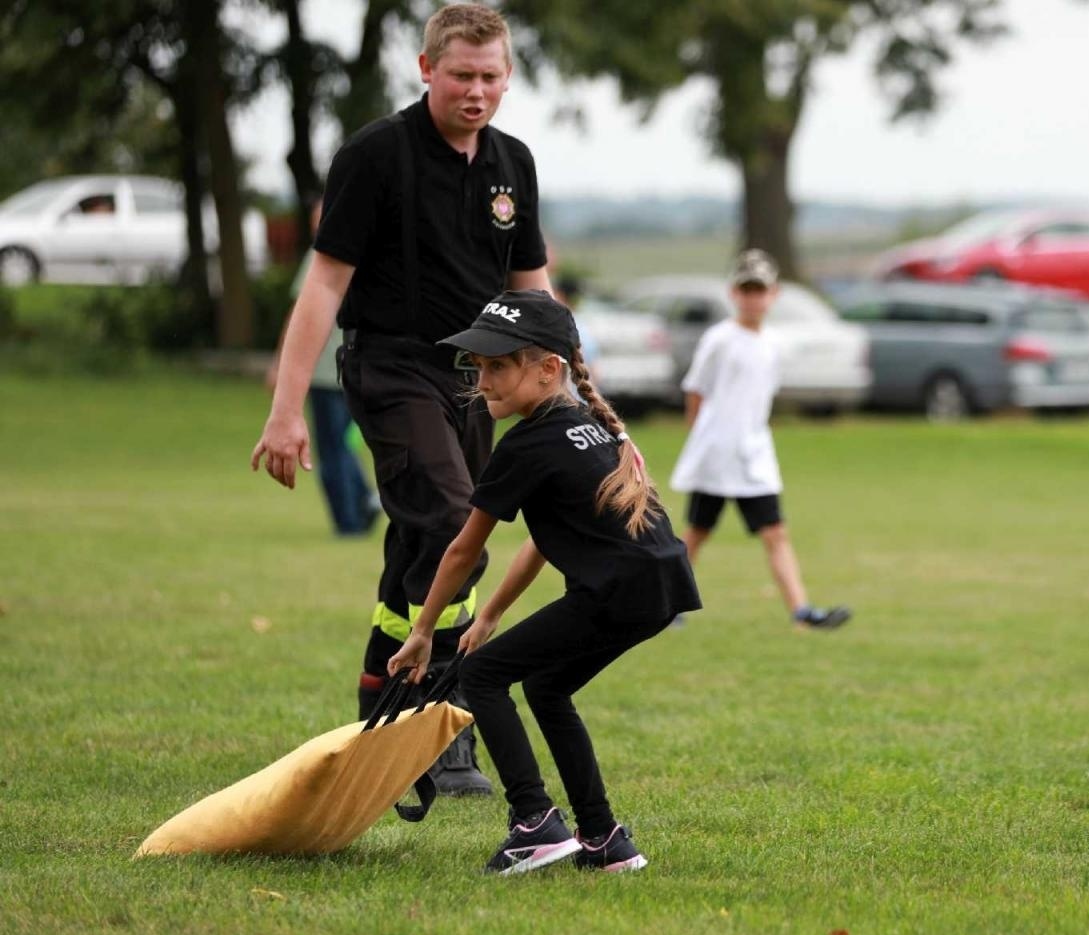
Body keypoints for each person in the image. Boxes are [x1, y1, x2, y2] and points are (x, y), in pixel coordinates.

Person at [250, 4, 550, 795]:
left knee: (425, 544)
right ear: (426, 70)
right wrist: (285, 410)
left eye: (491, 77)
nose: (477, 91)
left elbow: (534, 292)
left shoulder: (513, 165)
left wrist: (575, 393)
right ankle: (440, 725)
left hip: (479, 384)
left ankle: (381, 687)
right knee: (457, 524)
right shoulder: (374, 156)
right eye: (461, 75)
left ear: (508, 78)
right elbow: (322, 285)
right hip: (390, 370)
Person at [387, 290, 701, 874]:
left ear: (548, 369)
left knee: (481, 675)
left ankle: (533, 821)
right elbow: (541, 543)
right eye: (478, 366)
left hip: (617, 590)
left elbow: (461, 549)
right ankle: (603, 837)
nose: (483, 381)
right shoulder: (588, 427)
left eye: (499, 366)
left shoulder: (528, 443)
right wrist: (488, 616)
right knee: (547, 688)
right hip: (660, 587)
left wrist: (425, 631)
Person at [668, 250, 851, 631]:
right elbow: (696, 391)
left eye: (760, 290)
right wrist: (700, 438)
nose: (754, 298)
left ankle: (801, 610)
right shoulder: (719, 339)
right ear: (735, 293)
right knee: (697, 532)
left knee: (775, 531)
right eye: (746, 290)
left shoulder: (772, 344)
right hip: (718, 453)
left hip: (753, 454)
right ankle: (666, 604)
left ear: (773, 294)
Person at [265, 198, 380, 536]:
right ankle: (365, 498)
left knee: (331, 450)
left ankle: (348, 520)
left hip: (324, 371)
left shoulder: (323, 255)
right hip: (357, 368)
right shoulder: (368, 254)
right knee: (344, 443)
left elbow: (299, 314)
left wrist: (279, 363)